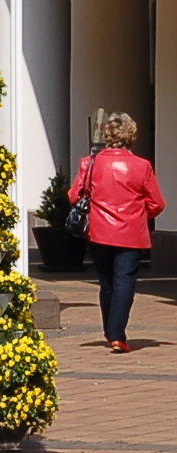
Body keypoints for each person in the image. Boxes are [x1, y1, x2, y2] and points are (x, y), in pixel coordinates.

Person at [71, 111, 165, 353]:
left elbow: (74, 196)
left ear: (107, 135)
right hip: (131, 234)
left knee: (106, 283)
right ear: (131, 136)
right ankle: (117, 335)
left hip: (99, 231)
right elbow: (157, 203)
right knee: (125, 283)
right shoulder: (142, 166)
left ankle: (110, 331)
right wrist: (138, 213)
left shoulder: (89, 163)